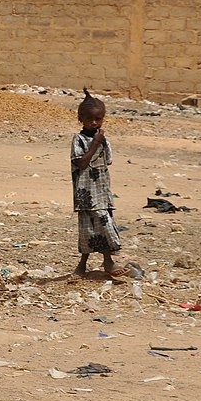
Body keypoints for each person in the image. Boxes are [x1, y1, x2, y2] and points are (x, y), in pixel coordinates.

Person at [71, 88, 122, 277]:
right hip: (85, 193)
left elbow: (107, 161)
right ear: (81, 119)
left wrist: (100, 142)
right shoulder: (78, 140)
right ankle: (82, 265)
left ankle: (108, 261)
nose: (94, 123)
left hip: (101, 191)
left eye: (98, 119)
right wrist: (95, 143)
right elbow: (81, 162)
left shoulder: (103, 140)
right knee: (87, 229)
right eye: (90, 119)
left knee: (104, 224)